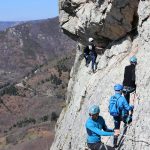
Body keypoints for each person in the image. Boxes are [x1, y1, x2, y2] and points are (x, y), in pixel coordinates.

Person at [109, 84, 134, 148]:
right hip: (121, 115)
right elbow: (128, 108)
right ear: (120, 90)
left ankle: (115, 144)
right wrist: (132, 107)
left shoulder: (112, 97)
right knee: (128, 120)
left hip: (115, 115)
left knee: (116, 129)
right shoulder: (122, 98)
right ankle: (127, 120)